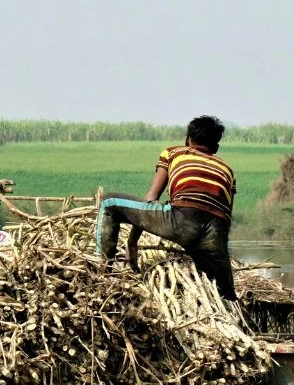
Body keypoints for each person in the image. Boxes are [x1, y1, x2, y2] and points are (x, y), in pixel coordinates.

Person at [95, 115, 237, 301]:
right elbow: (225, 217)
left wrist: (131, 244)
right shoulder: (228, 170)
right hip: (215, 234)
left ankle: (102, 274)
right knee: (227, 295)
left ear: (187, 139)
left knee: (108, 202)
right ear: (216, 147)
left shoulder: (173, 153)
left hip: (181, 220)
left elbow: (151, 199)